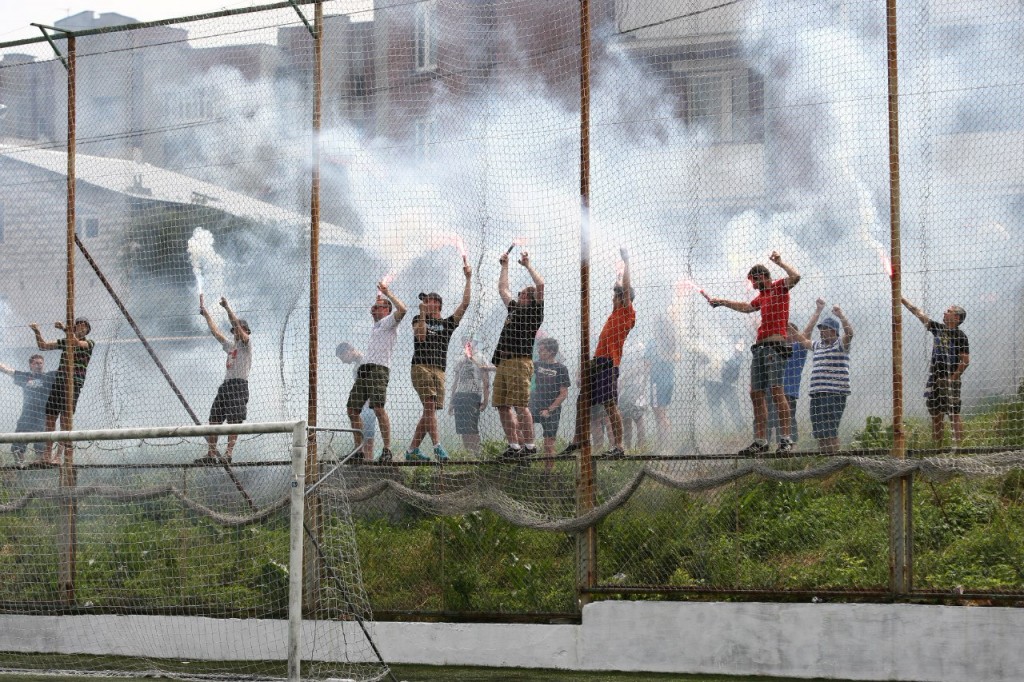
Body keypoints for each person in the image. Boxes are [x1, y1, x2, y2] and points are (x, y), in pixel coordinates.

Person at [706, 251, 801, 456]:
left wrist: (780, 262)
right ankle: (760, 441)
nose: (754, 286)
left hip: (775, 348)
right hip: (759, 349)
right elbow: (747, 307)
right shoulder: (762, 297)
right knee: (756, 394)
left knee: (776, 391)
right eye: (752, 282)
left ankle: (786, 439)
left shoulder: (780, 287)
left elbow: (796, 277)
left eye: (755, 281)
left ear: (762, 277)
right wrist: (722, 302)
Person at [405, 260, 473, 462]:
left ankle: (412, 450)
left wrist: (468, 278)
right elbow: (420, 337)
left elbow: (465, 304)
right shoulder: (418, 319)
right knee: (429, 404)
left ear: (438, 304)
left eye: (429, 300)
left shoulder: (448, 323)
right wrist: (422, 314)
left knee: (430, 410)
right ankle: (437, 447)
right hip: (421, 366)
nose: (426, 303)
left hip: (440, 370)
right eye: (424, 301)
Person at [491, 249, 545, 460]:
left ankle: (530, 447)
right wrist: (504, 266)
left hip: (520, 362)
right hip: (503, 362)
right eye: (520, 294)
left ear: (531, 299)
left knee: (520, 406)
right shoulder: (513, 308)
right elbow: (503, 288)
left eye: (524, 295)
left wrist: (527, 265)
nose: (520, 296)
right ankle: (513, 446)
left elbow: (540, 285)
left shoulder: (534, 313)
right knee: (502, 405)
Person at [347, 282, 407, 463]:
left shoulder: (389, 322)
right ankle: (358, 451)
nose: (372, 310)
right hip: (365, 369)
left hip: (379, 369)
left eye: (377, 307)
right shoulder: (377, 326)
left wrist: (387, 293)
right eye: (372, 307)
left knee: (378, 408)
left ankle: (387, 449)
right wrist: (378, 301)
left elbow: (403, 310)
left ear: (386, 310)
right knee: (352, 409)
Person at [901, 297, 970, 448]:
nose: (945, 313)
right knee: (936, 414)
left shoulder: (960, 336)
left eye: (949, 311)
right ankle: (937, 448)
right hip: (935, 378)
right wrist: (902, 299)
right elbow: (918, 313)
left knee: (953, 414)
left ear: (956, 318)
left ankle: (960, 448)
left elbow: (965, 360)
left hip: (950, 378)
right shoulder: (938, 328)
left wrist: (952, 378)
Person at [30, 317, 95, 465]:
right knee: (50, 419)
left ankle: (58, 456)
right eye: (78, 325)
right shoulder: (66, 341)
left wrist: (65, 329)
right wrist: (37, 331)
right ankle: (46, 455)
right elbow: (43, 346)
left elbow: (77, 343)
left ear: (87, 330)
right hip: (58, 383)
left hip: (73, 385)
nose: (80, 328)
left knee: (65, 421)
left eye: (83, 326)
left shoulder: (89, 343)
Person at [196, 296, 251, 464]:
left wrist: (227, 308)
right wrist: (206, 315)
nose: (235, 332)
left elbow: (236, 325)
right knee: (214, 419)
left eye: (239, 329)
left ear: (245, 331)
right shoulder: (231, 346)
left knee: (234, 419)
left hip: (238, 385)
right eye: (234, 330)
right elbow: (216, 333)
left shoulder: (246, 345)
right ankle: (211, 454)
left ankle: (228, 454)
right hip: (226, 386)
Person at [766, 299, 826, 445]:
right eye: (784, 331)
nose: (785, 335)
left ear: (794, 335)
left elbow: (808, 330)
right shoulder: (775, 348)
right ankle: (764, 449)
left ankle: (788, 450)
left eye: (788, 332)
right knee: (768, 421)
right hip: (771, 391)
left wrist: (818, 310)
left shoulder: (798, 349)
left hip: (788, 393)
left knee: (786, 423)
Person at [793, 306, 854, 453]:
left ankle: (834, 458)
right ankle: (825, 457)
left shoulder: (840, 344)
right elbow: (803, 340)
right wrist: (789, 328)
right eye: (821, 329)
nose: (821, 331)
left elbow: (849, 333)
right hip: (817, 394)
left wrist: (841, 315)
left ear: (834, 331)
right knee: (820, 431)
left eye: (825, 329)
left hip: (834, 393)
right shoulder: (818, 345)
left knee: (830, 430)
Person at [0, 355, 55, 465]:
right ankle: (20, 464)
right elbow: (8, 370)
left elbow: (64, 371)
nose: (39, 365)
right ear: (31, 365)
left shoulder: (49, 376)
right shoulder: (25, 376)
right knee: (17, 443)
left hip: (43, 415)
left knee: (41, 444)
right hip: (27, 414)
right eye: (36, 363)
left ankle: (39, 462)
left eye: (41, 363)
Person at [529, 337, 571, 468]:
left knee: (548, 444)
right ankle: (524, 463)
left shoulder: (561, 368)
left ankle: (547, 473)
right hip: (535, 405)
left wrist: (549, 409)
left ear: (551, 352)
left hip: (552, 410)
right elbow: (520, 370)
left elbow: (563, 393)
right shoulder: (536, 364)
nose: (539, 352)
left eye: (542, 350)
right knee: (523, 430)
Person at [448, 337, 493, 457]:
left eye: (469, 341)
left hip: (473, 395)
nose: (466, 343)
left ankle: (478, 455)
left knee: (472, 428)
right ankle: (469, 456)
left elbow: (486, 380)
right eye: (464, 341)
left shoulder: (480, 357)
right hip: (459, 396)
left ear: (475, 343)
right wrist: (452, 402)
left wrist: (486, 400)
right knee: (463, 429)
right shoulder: (460, 359)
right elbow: (455, 381)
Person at [336, 342, 377, 461]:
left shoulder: (366, 361)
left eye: (342, 358)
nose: (343, 362)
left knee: (368, 438)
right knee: (363, 435)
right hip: (362, 406)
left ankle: (368, 462)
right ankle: (361, 456)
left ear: (348, 351)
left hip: (369, 405)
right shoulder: (356, 367)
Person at [618, 348, 651, 451]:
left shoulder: (639, 347)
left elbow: (645, 367)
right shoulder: (623, 347)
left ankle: (641, 447)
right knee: (626, 419)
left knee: (638, 418)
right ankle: (628, 448)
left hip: (635, 387)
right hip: (626, 390)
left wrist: (624, 377)